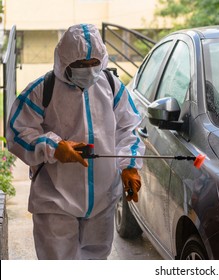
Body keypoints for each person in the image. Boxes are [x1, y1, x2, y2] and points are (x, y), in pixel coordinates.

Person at [6, 23, 145, 259]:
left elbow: (130, 126)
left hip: (102, 199)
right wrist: (53, 147)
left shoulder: (111, 86)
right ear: (64, 62)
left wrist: (129, 165)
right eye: (81, 64)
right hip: (55, 199)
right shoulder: (42, 90)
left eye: (94, 64)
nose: (89, 70)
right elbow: (17, 132)